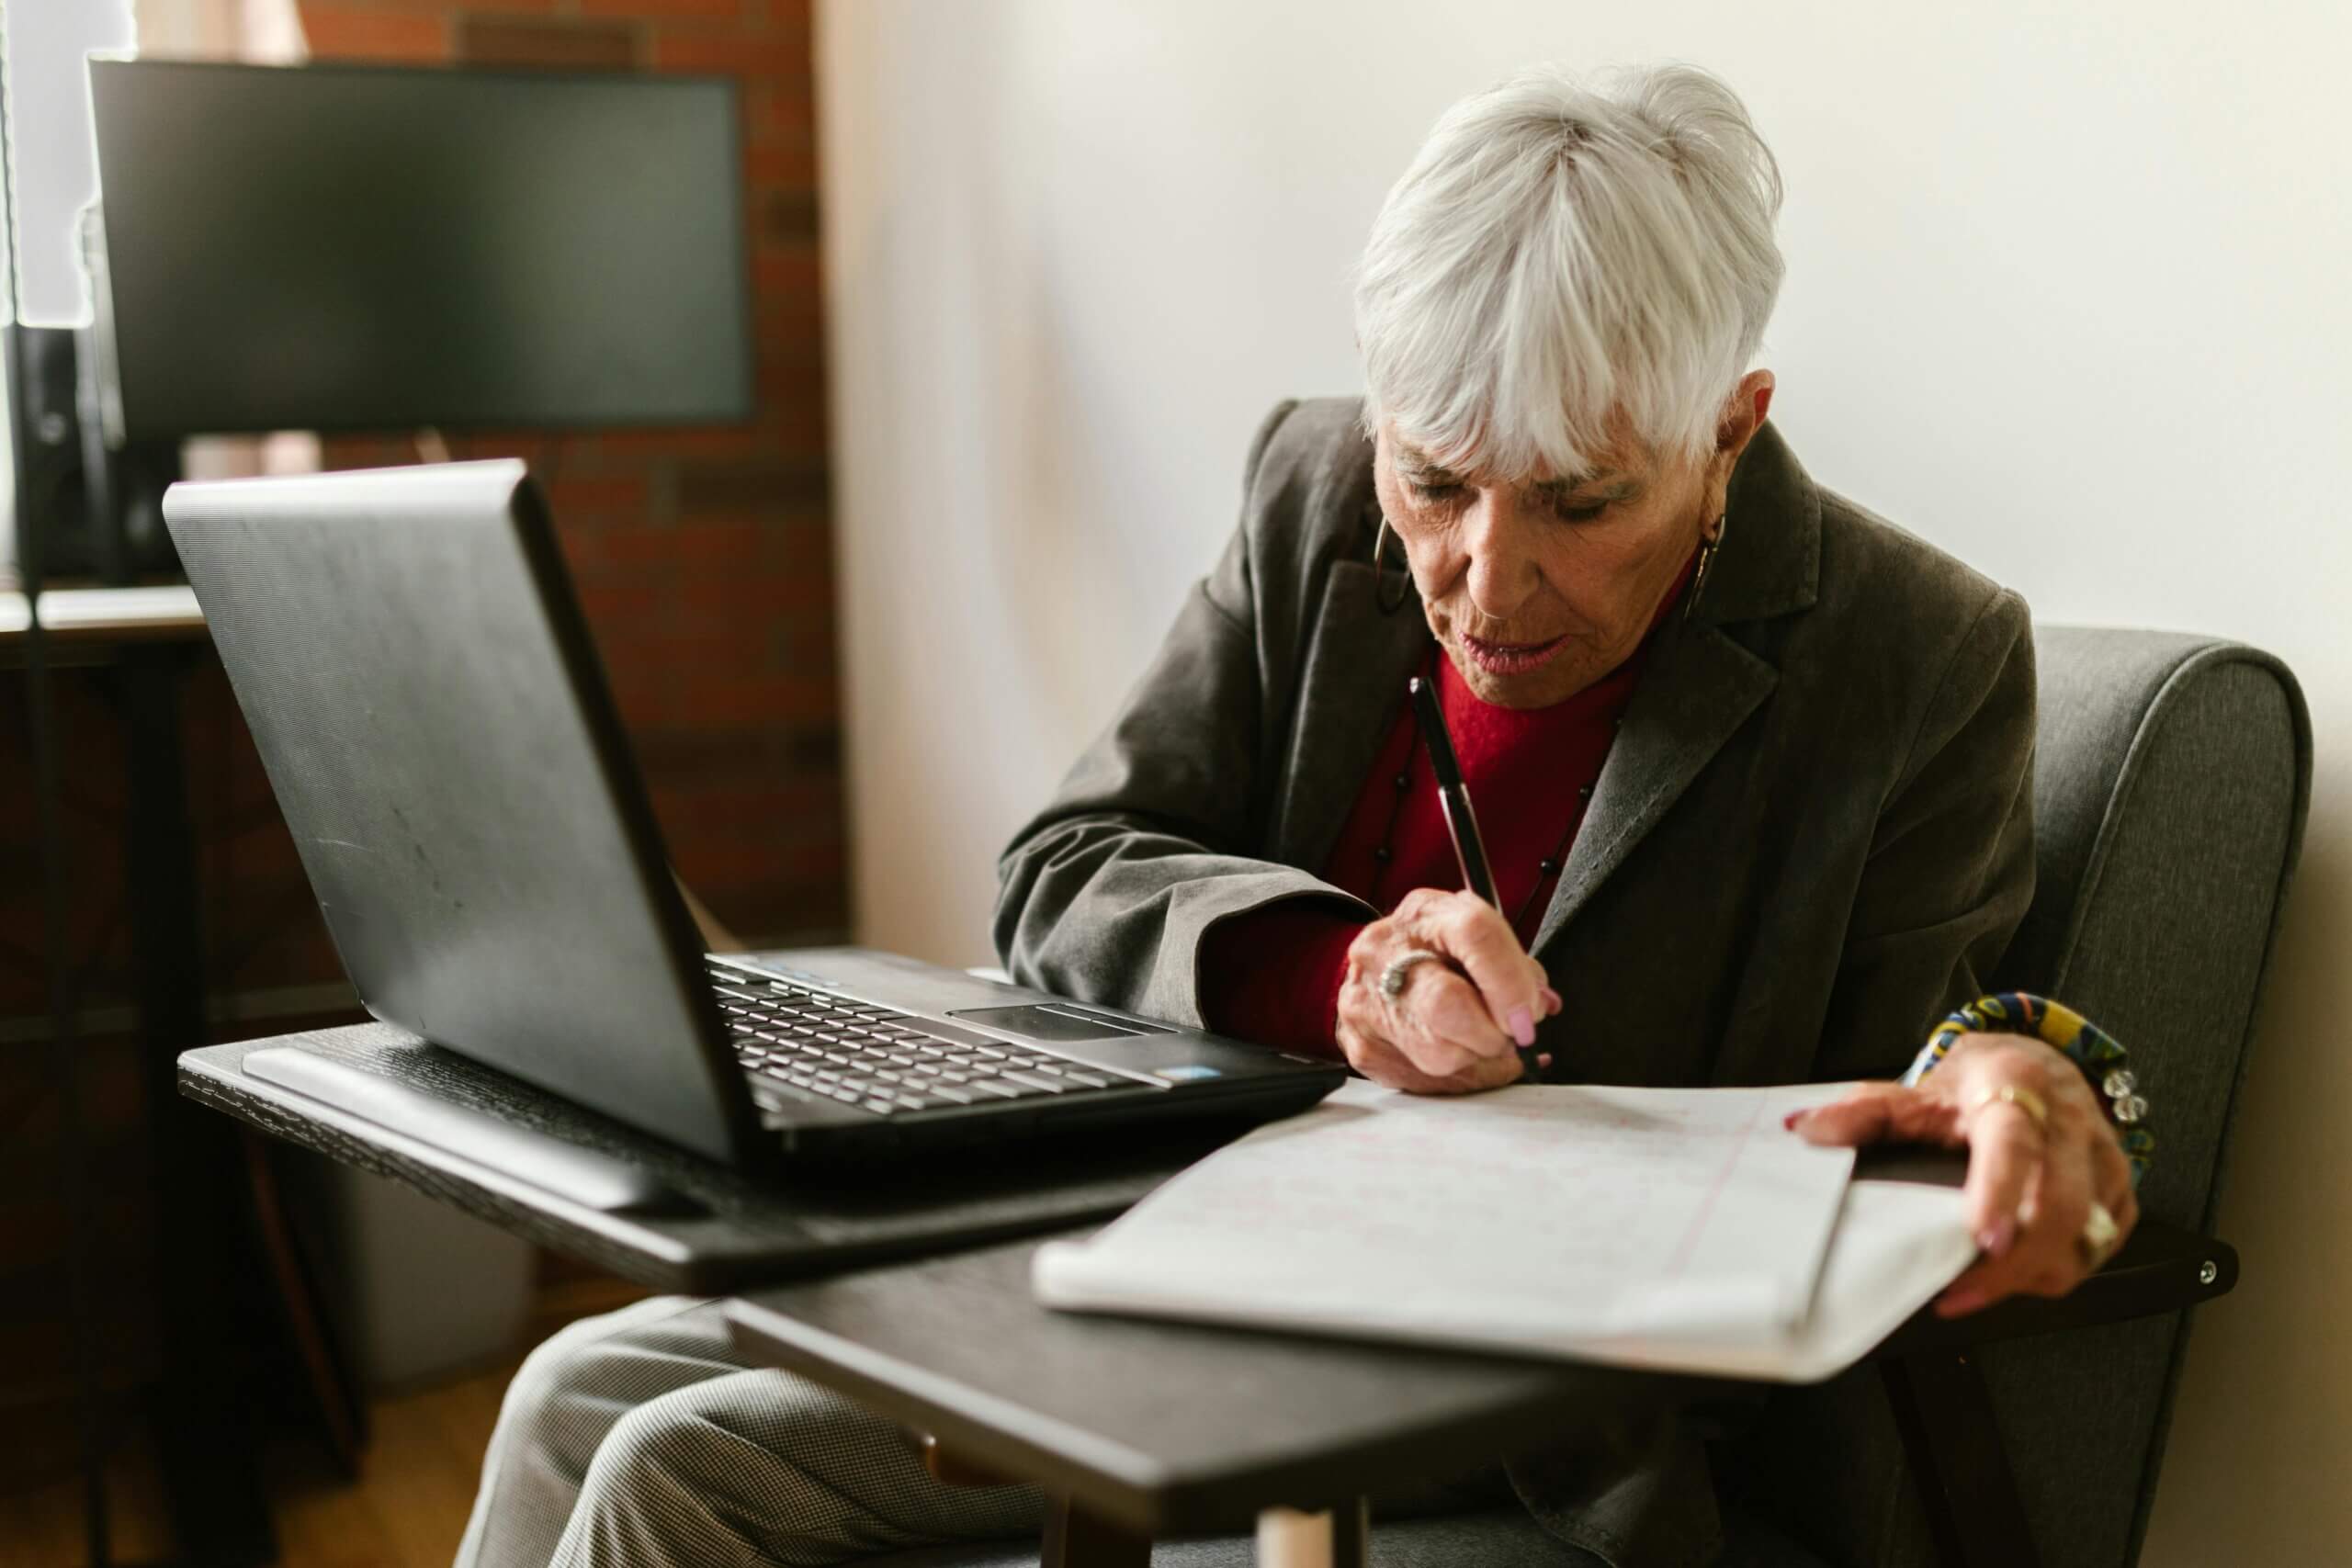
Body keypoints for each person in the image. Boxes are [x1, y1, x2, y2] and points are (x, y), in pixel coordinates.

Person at [458, 63, 2148, 1568]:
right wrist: (1334, 971)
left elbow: (1927, 1066)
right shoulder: (1310, 490)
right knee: (564, 1389)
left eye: (1582, 501)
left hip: (1527, 1399)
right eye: (1437, 479)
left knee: (685, 1470)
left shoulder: (1917, 659)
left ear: (1730, 432)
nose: (1489, 582)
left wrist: (2019, 1066)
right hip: (1168, 1257)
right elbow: (1063, 872)